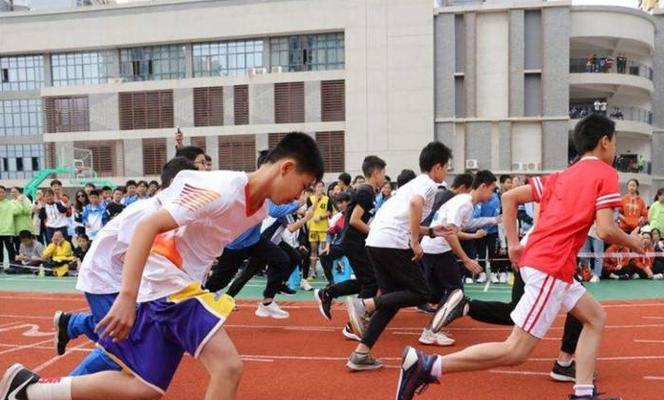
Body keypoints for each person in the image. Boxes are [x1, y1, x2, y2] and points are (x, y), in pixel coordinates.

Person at [0, 132, 325, 400]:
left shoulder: (255, 210)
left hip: (176, 284)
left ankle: (32, 392)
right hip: (166, 283)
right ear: (286, 167)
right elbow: (148, 227)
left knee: (145, 387)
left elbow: (196, 235)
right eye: (305, 185)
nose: (302, 196)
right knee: (228, 367)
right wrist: (128, 297)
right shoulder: (222, 191)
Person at [395, 114, 645, 400]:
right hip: (551, 266)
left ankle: (584, 393)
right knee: (516, 350)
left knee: (595, 317)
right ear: (604, 142)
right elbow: (605, 229)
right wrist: (634, 243)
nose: (615, 150)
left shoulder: (563, 175)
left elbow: (508, 197)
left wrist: (514, 244)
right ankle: (428, 366)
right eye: (615, 143)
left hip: (542, 262)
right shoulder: (605, 173)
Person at [52, 157, 198, 378]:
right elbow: (136, 253)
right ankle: (54, 391)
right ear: (181, 184)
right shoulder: (147, 211)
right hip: (104, 276)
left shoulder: (165, 210)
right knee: (121, 349)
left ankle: (72, 324)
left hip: (119, 277)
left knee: (133, 333)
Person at [343, 142, 455, 371]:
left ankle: (361, 354)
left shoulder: (412, 184)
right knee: (422, 292)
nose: (447, 172)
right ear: (437, 167)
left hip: (376, 241)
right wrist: (414, 241)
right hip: (391, 243)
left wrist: (431, 231)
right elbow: (415, 205)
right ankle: (364, 304)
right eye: (446, 168)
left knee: (392, 300)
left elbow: (401, 216)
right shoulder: (429, 185)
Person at [315, 156, 387, 340]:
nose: (385, 178)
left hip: (356, 242)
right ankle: (353, 324)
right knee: (372, 282)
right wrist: (373, 233)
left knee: (368, 281)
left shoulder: (367, 191)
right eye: (384, 173)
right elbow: (355, 220)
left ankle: (328, 293)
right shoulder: (366, 192)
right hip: (354, 242)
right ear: (376, 172)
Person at [319, 192, 352, 284]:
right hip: (341, 246)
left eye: (342, 202)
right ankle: (331, 281)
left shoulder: (355, 215)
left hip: (354, 245)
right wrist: (328, 245)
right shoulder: (338, 217)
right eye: (338, 203)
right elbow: (330, 233)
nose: (340, 205)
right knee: (323, 256)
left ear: (348, 202)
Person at [306, 180, 334, 279]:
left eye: (322, 186)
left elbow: (330, 212)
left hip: (323, 228)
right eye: (318, 186)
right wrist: (316, 201)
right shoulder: (310, 199)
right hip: (313, 228)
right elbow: (309, 211)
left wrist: (321, 217)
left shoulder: (327, 199)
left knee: (323, 250)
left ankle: (325, 272)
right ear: (314, 188)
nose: (320, 188)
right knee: (313, 250)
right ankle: (313, 271)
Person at [10, 187, 33, 256]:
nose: (13, 193)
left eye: (15, 192)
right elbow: (15, 212)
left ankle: (29, 264)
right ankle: (19, 264)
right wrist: (19, 201)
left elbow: (28, 211)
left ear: (20, 193)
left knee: (28, 247)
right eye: (12, 192)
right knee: (18, 248)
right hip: (16, 230)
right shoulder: (11, 202)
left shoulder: (26, 200)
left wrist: (22, 201)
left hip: (26, 227)